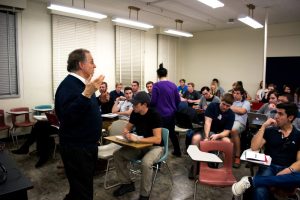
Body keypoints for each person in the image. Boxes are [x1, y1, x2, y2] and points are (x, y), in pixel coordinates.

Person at [55, 48, 105, 200]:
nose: (94, 66)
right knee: (83, 192)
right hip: (77, 148)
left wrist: (97, 99)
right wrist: (86, 94)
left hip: (86, 146)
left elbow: (84, 110)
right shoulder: (68, 86)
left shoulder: (83, 85)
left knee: (80, 188)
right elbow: (67, 117)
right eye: (91, 62)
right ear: (81, 65)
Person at [232, 103, 300, 199]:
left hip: (288, 168)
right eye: (276, 112)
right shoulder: (270, 131)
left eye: (280, 114)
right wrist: (263, 127)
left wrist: (288, 171)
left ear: (290, 117)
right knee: (260, 189)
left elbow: (299, 161)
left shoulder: (298, 135)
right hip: (269, 166)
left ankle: (252, 181)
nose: (276, 116)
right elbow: (254, 147)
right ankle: (257, 182)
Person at [113, 92, 163, 200]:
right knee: (117, 155)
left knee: (146, 163)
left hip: (155, 147)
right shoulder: (135, 113)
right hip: (139, 146)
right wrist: (126, 133)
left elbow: (158, 139)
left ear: (144, 105)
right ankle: (127, 184)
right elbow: (127, 128)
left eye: (136, 104)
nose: (133, 106)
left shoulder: (155, 115)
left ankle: (144, 195)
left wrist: (138, 139)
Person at [189, 93, 235, 178]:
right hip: (208, 131)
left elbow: (227, 131)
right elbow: (208, 122)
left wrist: (217, 136)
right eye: (223, 104)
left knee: (227, 142)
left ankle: (226, 170)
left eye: (227, 106)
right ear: (221, 101)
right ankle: (194, 166)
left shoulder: (231, 114)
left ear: (231, 106)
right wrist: (206, 137)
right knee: (195, 139)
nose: (225, 107)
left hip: (220, 134)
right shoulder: (213, 106)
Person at [151, 63, 181, 157]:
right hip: (171, 114)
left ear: (158, 75)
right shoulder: (173, 85)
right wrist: (172, 107)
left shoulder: (156, 86)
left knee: (159, 134)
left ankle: (160, 155)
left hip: (160, 115)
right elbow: (178, 100)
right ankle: (177, 151)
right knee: (171, 132)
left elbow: (153, 102)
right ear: (166, 74)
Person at [230, 86, 251, 168]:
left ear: (242, 94)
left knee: (234, 130)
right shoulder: (232, 102)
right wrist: (235, 108)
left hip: (240, 123)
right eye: (234, 93)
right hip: (230, 122)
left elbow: (242, 111)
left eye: (237, 93)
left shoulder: (246, 103)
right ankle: (230, 155)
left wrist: (230, 107)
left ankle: (237, 156)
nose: (235, 95)